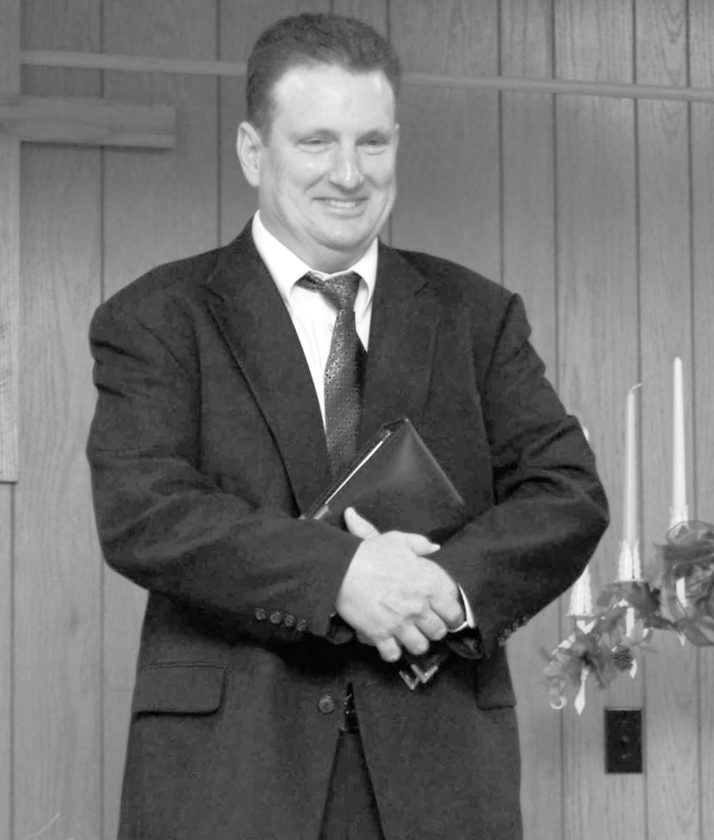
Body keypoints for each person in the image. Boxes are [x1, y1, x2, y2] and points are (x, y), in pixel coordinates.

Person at [87, 12, 609, 840]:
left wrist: (443, 592)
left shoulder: (478, 316)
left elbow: (567, 493)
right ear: (253, 151)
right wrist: (343, 576)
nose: (348, 173)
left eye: (372, 143)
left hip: (441, 778)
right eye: (316, 142)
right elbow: (145, 511)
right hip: (231, 779)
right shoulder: (157, 317)